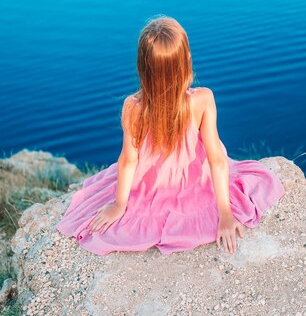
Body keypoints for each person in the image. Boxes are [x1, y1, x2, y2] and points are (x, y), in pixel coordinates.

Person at [55, 15, 286, 256]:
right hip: (193, 182)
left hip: (150, 185)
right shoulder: (203, 99)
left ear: (142, 68)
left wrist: (120, 204)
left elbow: (128, 161)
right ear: (186, 61)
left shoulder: (132, 107)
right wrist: (225, 213)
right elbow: (216, 160)